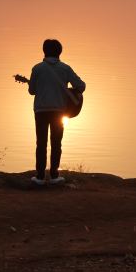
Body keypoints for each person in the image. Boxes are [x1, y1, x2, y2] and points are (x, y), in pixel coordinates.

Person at [28, 39, 86, 185]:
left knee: (40, 143)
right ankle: (54, 175)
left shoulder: (37, 68)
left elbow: (32, 91)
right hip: (59, 110)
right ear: (60, 51)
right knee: (56, 142)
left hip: (40, 110)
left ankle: (40, 177)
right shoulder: (65, 68)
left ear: (44, 51)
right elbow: (81, 85)